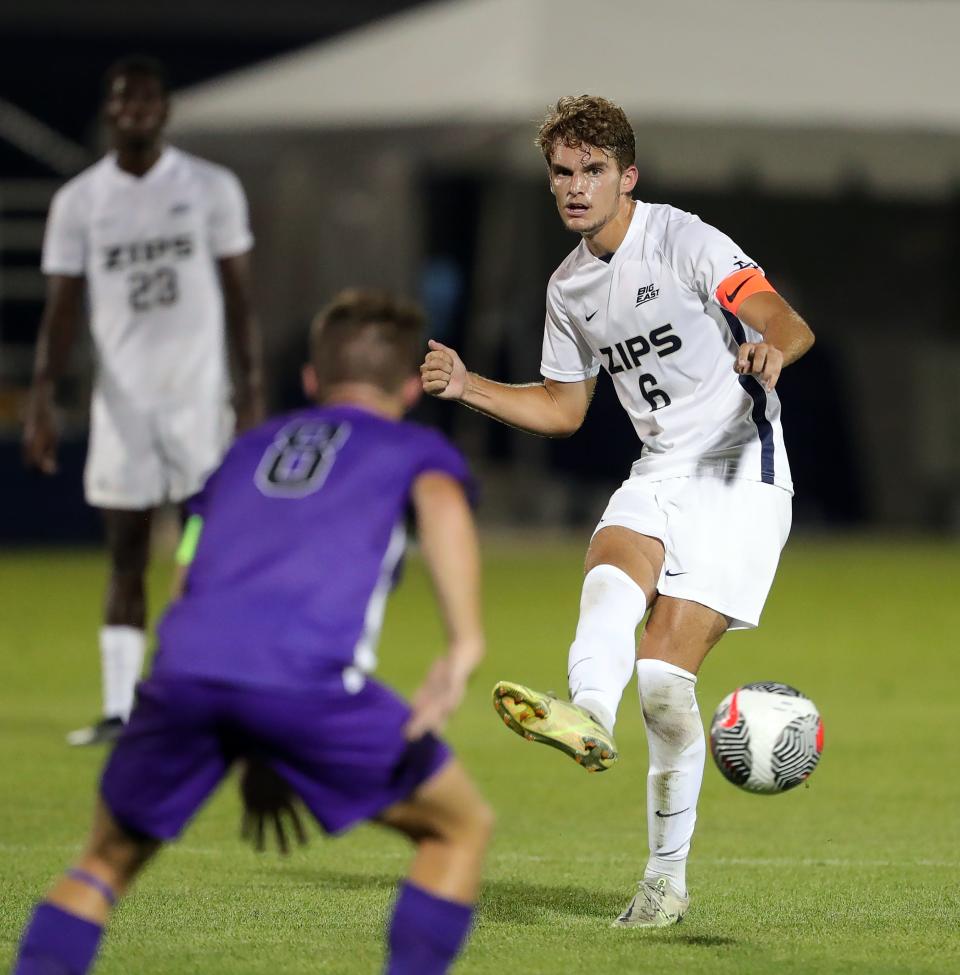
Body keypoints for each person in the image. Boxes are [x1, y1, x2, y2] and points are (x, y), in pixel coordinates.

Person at [13, 289, 491, 975]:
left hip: (185, 669)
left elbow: (189, 565)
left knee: (105, 859)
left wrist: (255, 742)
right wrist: (463, 643)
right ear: (413, 387)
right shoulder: (410, 445)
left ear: (310, 379)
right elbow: (441, 502)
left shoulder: (244, 451)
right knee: (458, 827)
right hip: (306, 683)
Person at [421, 95, 814, 929]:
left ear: (626, 176)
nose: (573, 186)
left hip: (741, 468)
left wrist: (771, 343)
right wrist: (467, 387)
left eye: (591, 170)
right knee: (609, 571)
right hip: (661, 465)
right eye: (561, 172)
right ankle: (585, 716)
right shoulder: (569, 287)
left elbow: (778, 314)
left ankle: (665, 881)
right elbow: (565, 407)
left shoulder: (684, 240)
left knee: (667, 683)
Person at [22, 55, 264, 746]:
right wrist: (43, 397)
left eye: (148, 99)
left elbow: (241, 300)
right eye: (124, 100)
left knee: (206, 547)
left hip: (199, 402)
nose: (136, 111)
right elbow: (61, 310)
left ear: (164, 110)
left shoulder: (210, 188)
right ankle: (122, 708)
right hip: (122, 406)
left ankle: (205, 696)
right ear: (110, 111)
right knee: (125, 552)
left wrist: (251, 395)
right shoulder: (79, 201)